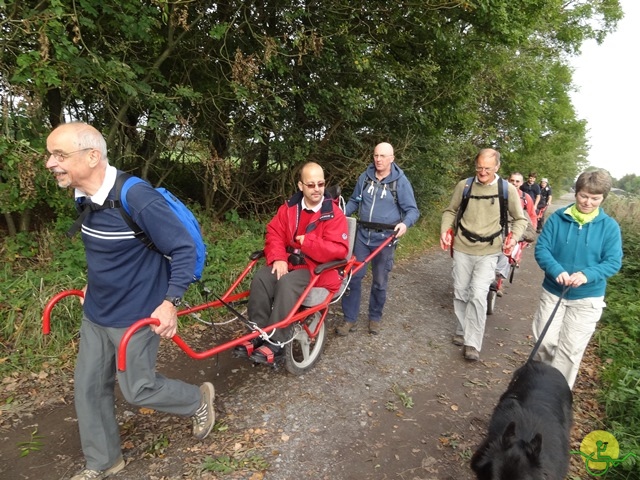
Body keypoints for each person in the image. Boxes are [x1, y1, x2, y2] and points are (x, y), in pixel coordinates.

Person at [45, 122, 215, 479]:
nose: (50, 163)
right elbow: (103, 250)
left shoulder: (137, 198)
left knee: (138, 389)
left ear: (93, 157)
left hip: (137, 314)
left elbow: (182, 248)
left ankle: (198, 400)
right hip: (96, 313)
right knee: (89, 388)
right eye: (51, 155)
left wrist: (170, 302)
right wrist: (92, 285)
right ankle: (104, 462)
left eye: (59, 155)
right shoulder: (84, 194)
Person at [236, 162, 349, 363]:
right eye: (311, 185)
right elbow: (274, 233)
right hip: (290, 262)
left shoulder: (333, 214)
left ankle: (277, 342)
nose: (317, 189)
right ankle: (257, 333)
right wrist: (279, 258)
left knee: (287, 283)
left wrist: (310, 243)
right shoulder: (288, 209)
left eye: (321, 184)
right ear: (300, 186)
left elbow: (339, 250)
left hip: (318, 270)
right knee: (262, 277)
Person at [532, 169, 622, 389]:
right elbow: (542, 249)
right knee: (544, 342)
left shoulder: (609, 227)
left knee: (569, 351)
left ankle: (555, 398)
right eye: (584, 195)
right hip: (554, 292)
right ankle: (536, 387)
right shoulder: (558, 219)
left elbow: (613, 261)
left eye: (595, 198)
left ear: (603, 199)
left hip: (587, 299)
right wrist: (556, 269)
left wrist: (586, 275)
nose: (588, 202)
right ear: (576, 192)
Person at [440, 149, 528, 361]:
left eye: (487, 168)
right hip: (462, 247)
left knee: (479, 295)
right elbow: (450, 211)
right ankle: (462, 330)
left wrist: (514, 237)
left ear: (497, 167)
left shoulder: (507, 190)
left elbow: (520, 219)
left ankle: (472, 343)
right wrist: (445, 230)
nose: (482, 172)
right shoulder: (465, 185)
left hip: (490, 250)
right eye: (479, 167)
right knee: (461, 292)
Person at [336, 142, 420, 336]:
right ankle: (349, 319)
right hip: (362, 235)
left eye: (383, 156)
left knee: (380, 281)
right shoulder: (365, 178)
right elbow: (354, 201)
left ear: (391, 159)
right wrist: (340, 215)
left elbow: (412, 210)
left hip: (385, 238)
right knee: (353, 277)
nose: (378, 159)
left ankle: (375, 317)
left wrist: (405, 224)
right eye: (376, 155)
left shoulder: (401, 182)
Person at [493, 172, 537, 295]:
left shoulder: (525, 198)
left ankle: (499, 281)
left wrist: (527, 236)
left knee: (508, 252)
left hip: (517, 230)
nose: (514, 183)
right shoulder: (499, 194)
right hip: (498, 226)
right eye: (512, 180)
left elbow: (531, 217)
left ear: (521, 183)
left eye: (517, 181)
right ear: (508, 180)